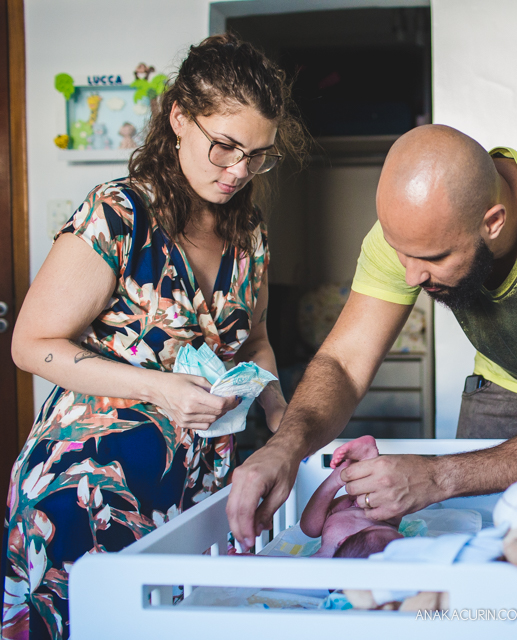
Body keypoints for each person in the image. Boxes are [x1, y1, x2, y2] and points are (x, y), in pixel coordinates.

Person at [227, 124, 517, 640]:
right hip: (502, 384)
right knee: (469, 598)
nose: (411, 275)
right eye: (400, 252)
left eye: (433, 259)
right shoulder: (411, 236)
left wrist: (434, 477)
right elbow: (344, 363)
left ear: (493, 223)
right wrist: (285, 447)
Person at [3, 34, 307, 639]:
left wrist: (286, 421)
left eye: (258, 155)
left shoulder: (249, 233)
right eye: (225, 147)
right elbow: (30, 343)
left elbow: (255, 340)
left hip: (196, 498)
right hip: (87, 489)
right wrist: (159, 388)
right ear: (178, 118)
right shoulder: (117, 215)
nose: (239, 171)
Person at [299, 435, 403, 559]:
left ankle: (336, 479)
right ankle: (367, 459)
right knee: (389, 501)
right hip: (381, 519)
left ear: (343, 541)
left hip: (343, 513)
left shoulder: (325, 559)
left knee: (310, 528)